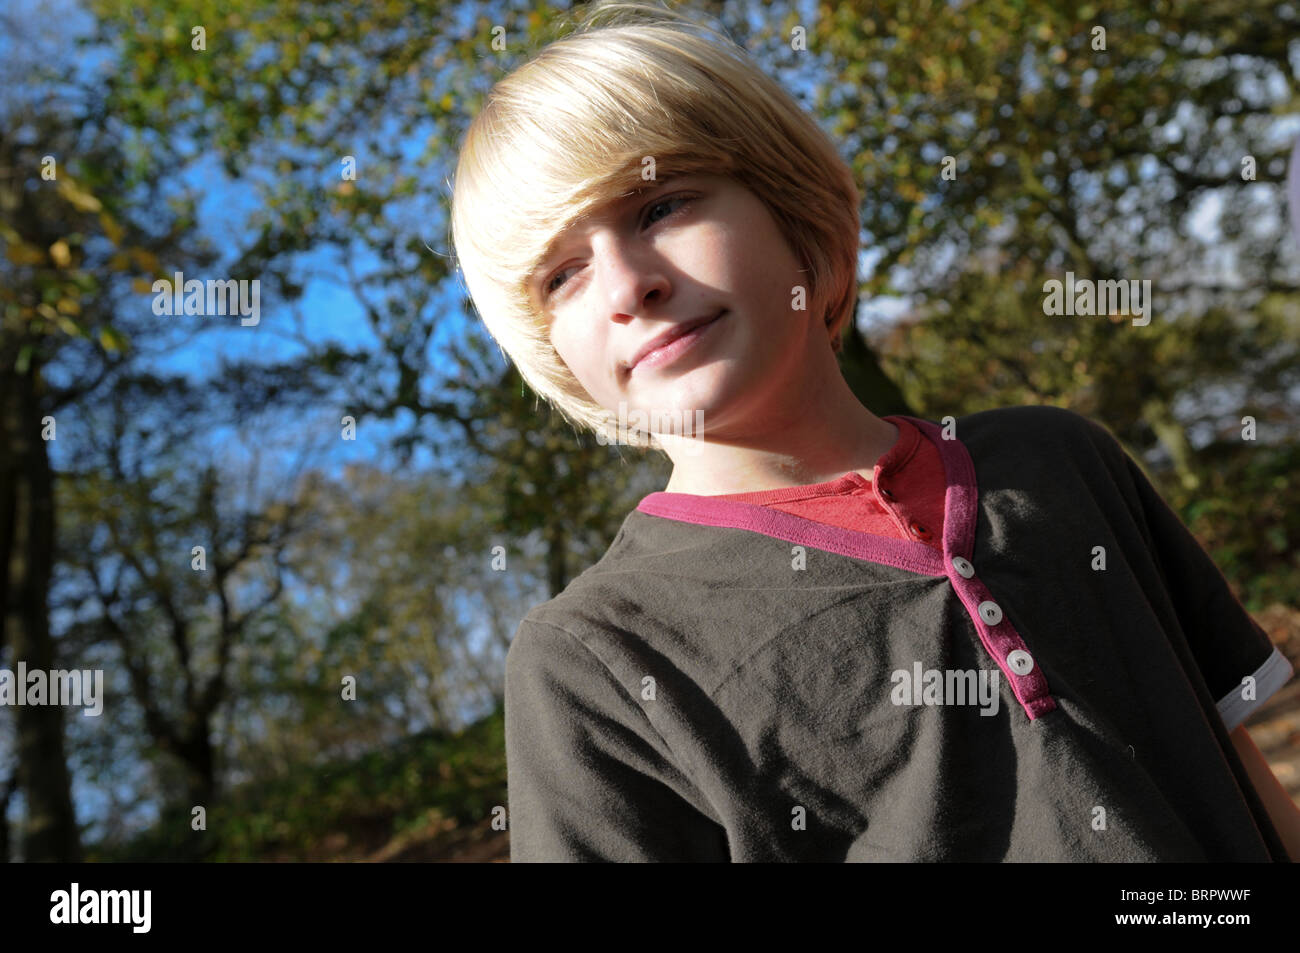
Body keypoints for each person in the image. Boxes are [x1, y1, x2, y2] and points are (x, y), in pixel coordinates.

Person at [449, 0, 1299, 861]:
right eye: (563, 274)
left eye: (660, 204)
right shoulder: (592, 660)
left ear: (792, 214)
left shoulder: (1061, 458)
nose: (627, 284)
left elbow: (1242, 778)